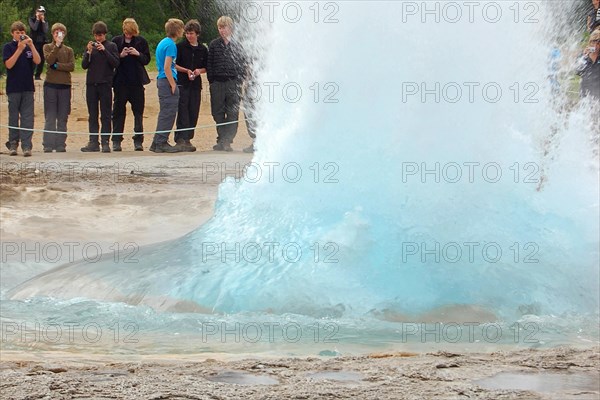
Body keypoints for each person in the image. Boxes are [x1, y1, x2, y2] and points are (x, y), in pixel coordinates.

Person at [207, 16, 247, 152]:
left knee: (232, 112)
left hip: (233, 82)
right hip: (217, 83)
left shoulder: (237, 45)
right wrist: (212, 80)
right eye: (220, 27)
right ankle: (222, 138)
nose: (222, 30)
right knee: (217, 112)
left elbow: (242, 63)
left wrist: (239, 80)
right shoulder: (213, 44)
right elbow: (209, 64)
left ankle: (227, 140)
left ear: (230, 28)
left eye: (224, 27)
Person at [111, 18, 151, 151]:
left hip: (136, 83)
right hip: (120, 83)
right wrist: (120, 55)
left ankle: (138, 141)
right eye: (127, 33)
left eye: (131, 33)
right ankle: (116, 140)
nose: (128, 35)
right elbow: (111, 60)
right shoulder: (116, 41)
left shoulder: (141, 41)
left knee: (138, 112)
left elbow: (146, 60)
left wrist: (137, 53)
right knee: (118, 112)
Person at [3, 21, 41, 157]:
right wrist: (19, 49)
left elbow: (38, 61)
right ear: (12, 33)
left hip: (27, 87)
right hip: (13, 88)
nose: (20, 34)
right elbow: (9, 64)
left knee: (27, 118)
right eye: (17, 32)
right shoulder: (8, 47)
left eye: (22, 32)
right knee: (13, 117)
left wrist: (31, 45)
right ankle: (13, 143)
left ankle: (26, 145)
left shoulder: (29, 47)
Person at [80, 21, 119, 153]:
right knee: (93, 114)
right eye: (96, 36)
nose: (98, 38)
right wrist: (88, 52)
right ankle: (93, 141)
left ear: (105, 34)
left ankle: (105, 141)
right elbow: (84, 65)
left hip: (105, 84)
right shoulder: (90, 46)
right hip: (91, 84)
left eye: (101, 35)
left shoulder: (111, 46)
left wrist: (105, 50)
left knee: (106, 114)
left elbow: (115, 63)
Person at [150, 18, 184, 153]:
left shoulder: (163, 42)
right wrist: (173, 84)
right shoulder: (171, 45)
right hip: (166, 80)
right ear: (177, 31)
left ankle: (156, 142)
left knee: (165, 112)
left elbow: (171, 65)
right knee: (169, 112)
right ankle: (161, 142)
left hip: (162, 79)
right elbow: (167, 67)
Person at [174, 19, 208, 152]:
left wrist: (199, 71)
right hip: (182, 82)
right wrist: (186, 70)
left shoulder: (203, 49)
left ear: (197, 34)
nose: (189, 36)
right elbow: (174, 64)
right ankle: (180, 138)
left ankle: (188, 138)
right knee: (182, 110)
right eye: (187, 33)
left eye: (191, 33)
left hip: (195, 84)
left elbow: (206, 67)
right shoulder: (180, 47)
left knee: (194, 110)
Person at [42, 23, 74, 152]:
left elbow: (71, 66)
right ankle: (48, 144)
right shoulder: (47, 47)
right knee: (50, 116)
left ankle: (61, 143)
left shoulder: (69, 50)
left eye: (61, 32)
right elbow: (49, 61)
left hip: (65, 86)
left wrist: (57, 66)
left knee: (62, 116)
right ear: (52, 34)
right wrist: (57, 46)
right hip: (50, 85)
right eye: (56, 32)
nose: (58, 34)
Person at [577, 29, 600, 101]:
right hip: (585, 95)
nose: (595, 46)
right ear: (590, 42)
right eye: (593, 42)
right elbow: (578, 71)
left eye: (598, 43)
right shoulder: (583, 56)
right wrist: (584, 56)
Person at [28, 5, 48, 80]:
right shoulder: (31, 19)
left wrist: (42, 21)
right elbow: (34, 28)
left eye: (42, 12)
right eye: (39, 12)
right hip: (34, 41)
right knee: (33, 58)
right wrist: (37, 19)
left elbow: (45, 30)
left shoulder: (45, 21)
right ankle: (31, 74)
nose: (41, 14)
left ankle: (38, 75)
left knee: (42, 59)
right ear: (36, 12)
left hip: (42, 42)